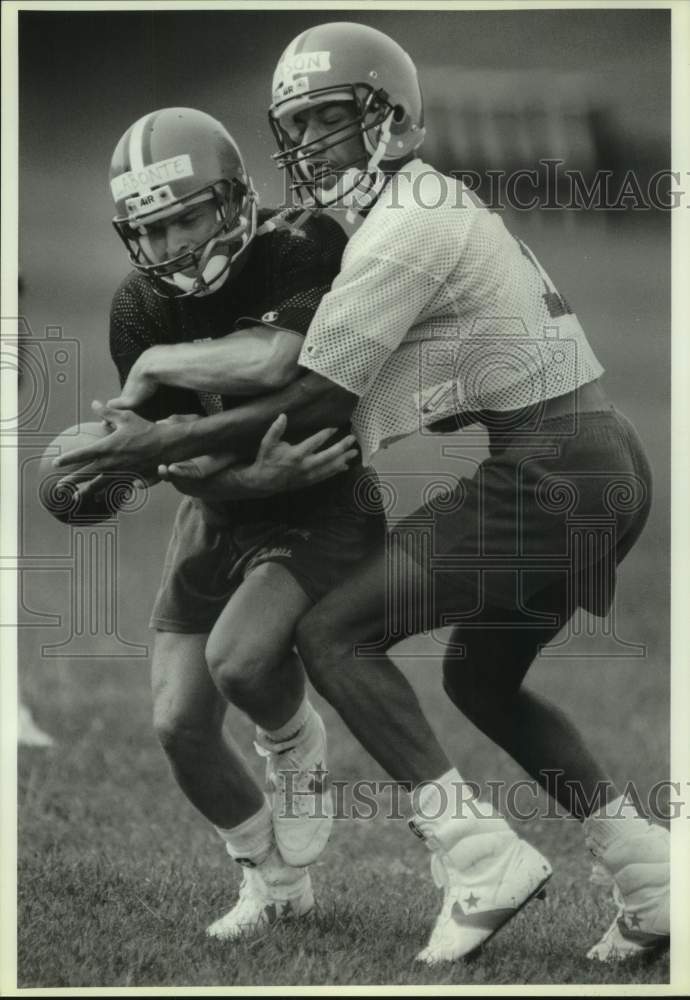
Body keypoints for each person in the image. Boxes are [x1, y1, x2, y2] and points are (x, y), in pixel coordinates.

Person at [56, 29, 670, 965]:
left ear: (391, 113)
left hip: (554, 470)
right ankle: (652, 874)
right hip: (590, 458)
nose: (313, 149)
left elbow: (312, 395)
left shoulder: (400, 225)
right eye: (296, 127)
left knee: (333, 631)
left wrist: (152, 439)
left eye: (332, 122)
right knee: (480, 680)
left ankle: (477, 855)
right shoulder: (406, 212)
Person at [63, 106, 385, 941]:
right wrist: (243, 476)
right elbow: (173, 459)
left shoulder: (304, 240)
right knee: (176, 723)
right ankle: (272, 882)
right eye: (150, 228)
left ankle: (291, 737)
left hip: (320, 497)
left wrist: (160, 365)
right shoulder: (138, 304)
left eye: (185, 218)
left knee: (241, 663)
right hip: (224, 507)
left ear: (236, 198)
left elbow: (276, 360)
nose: (168, 245)